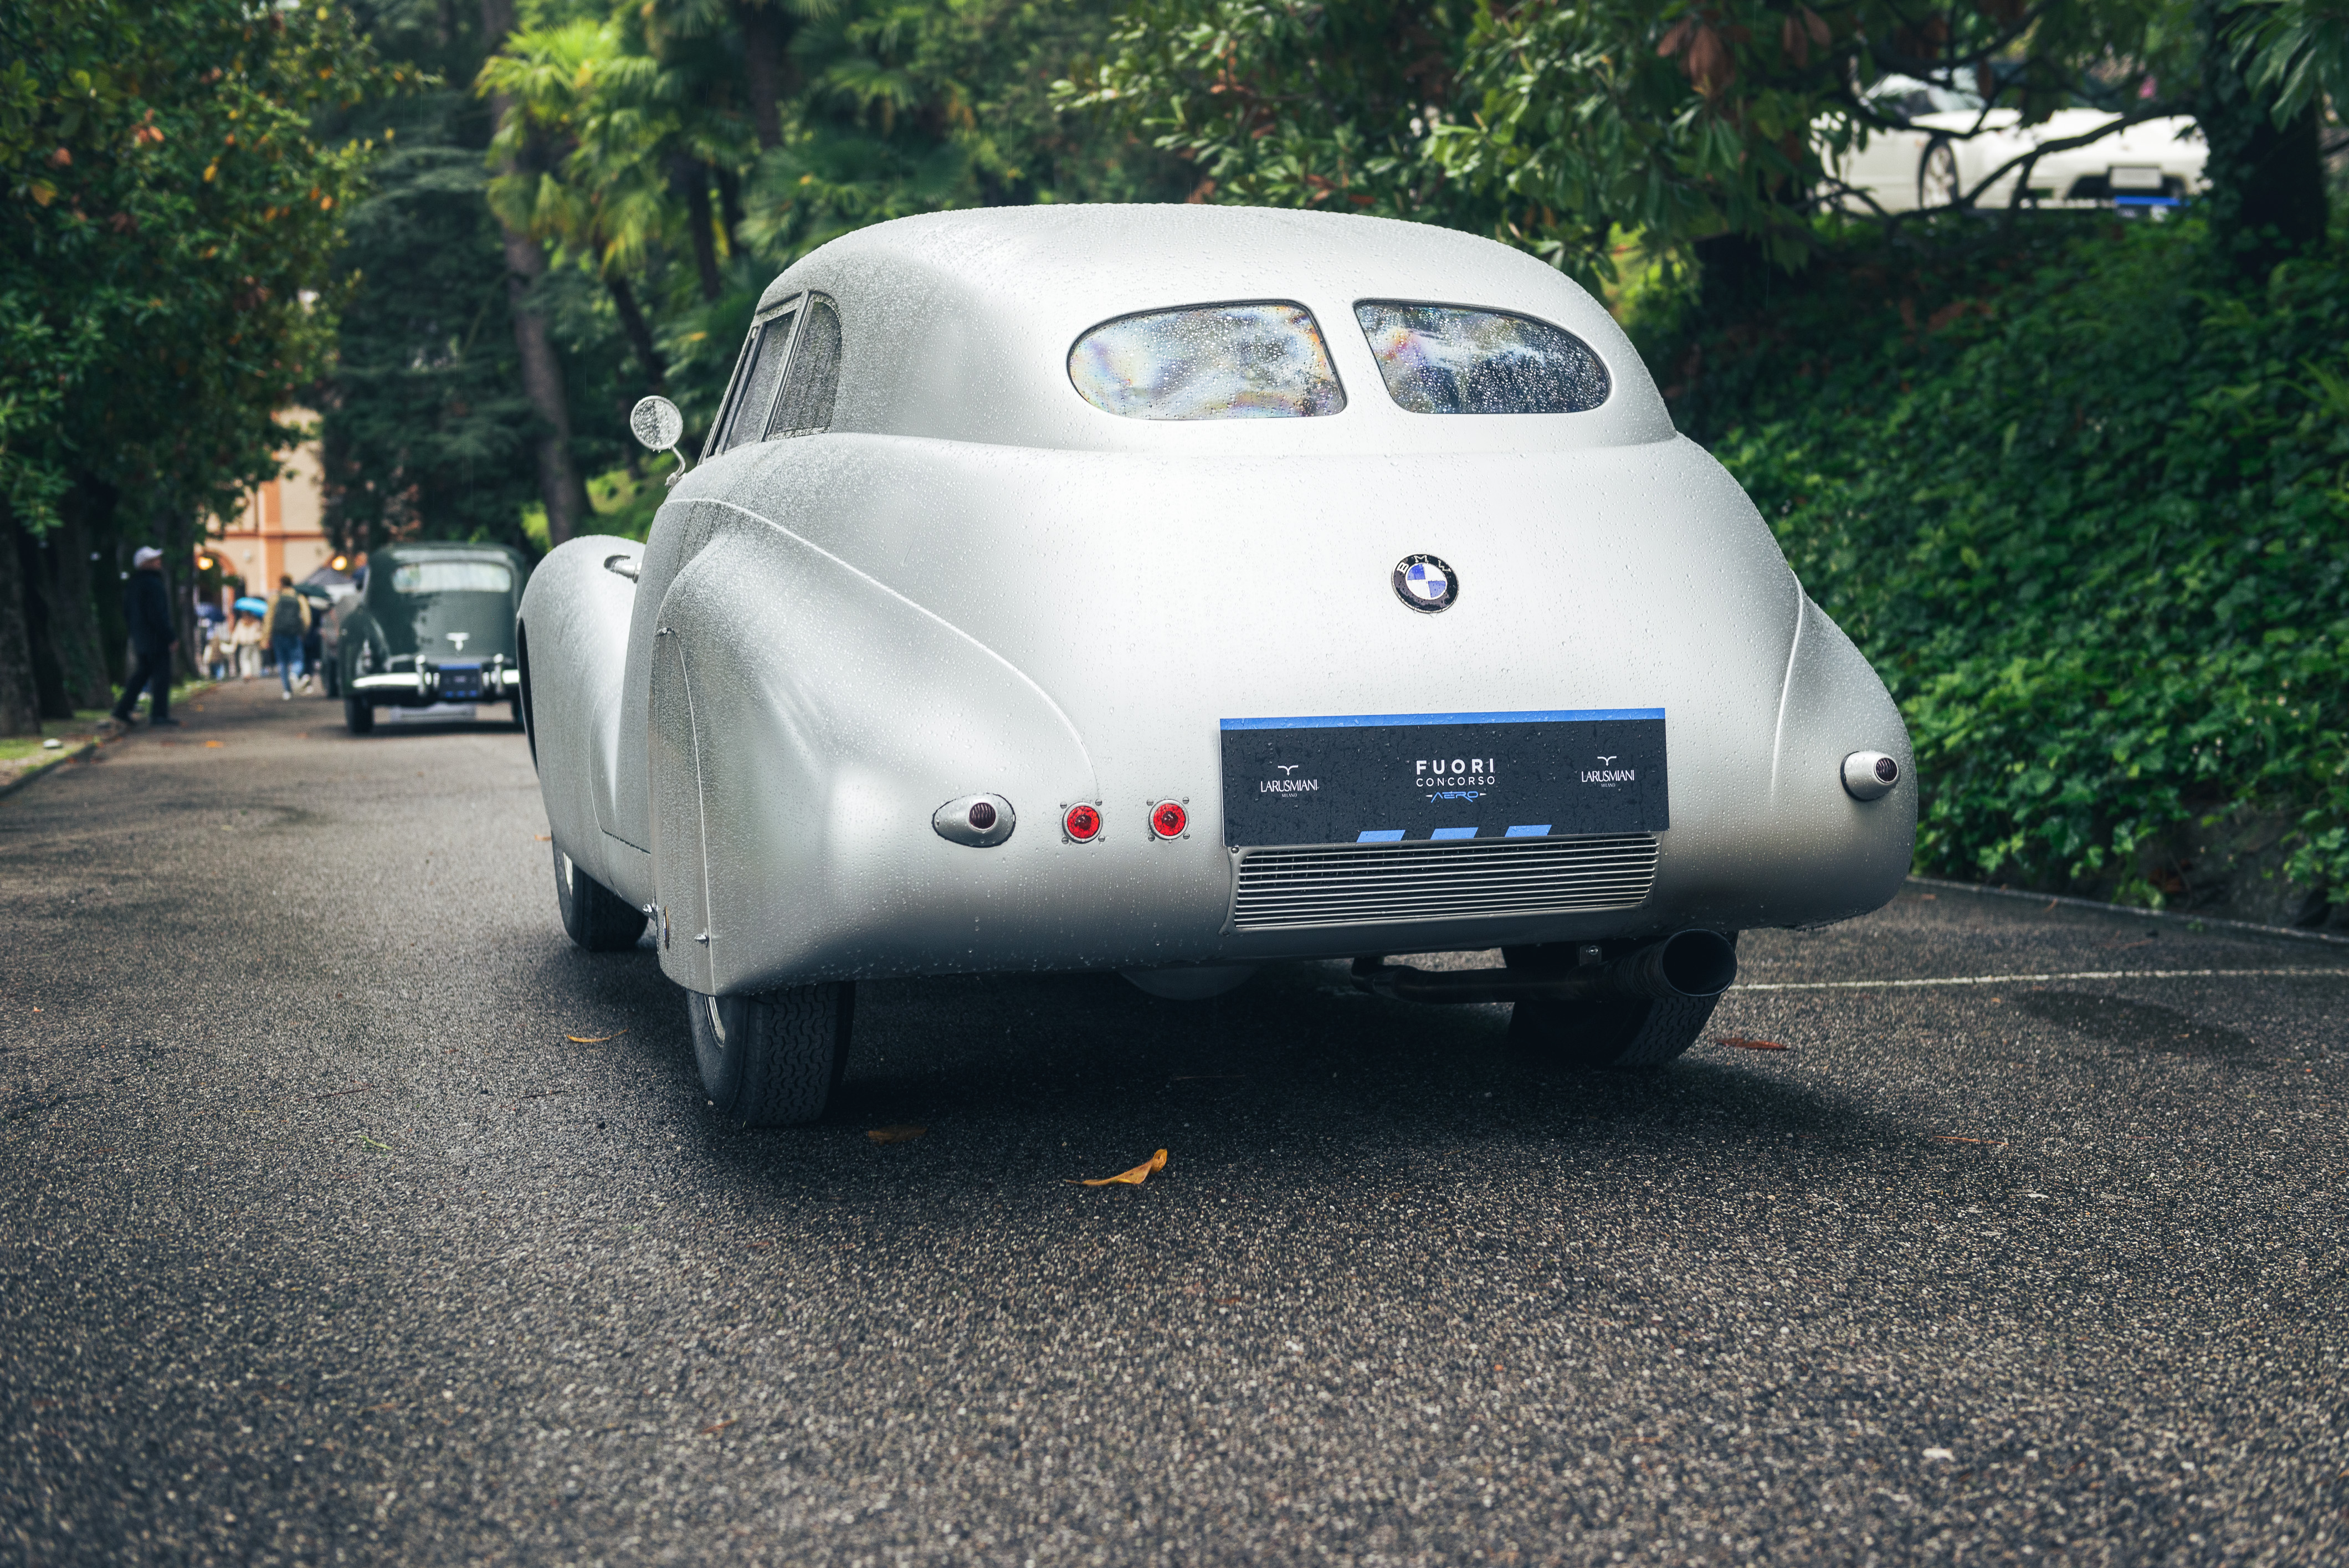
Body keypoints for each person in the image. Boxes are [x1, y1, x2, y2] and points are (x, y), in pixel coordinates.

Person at [111, 545, 180, 727]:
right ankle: (159, 714)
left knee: (142, 674)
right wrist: (170, 636)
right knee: (161, 676)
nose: (159, 562)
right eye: (154, 560)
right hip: (156, 638)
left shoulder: (133, 584)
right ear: (146, 563)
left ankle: (122, 710)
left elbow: (127, 611)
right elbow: (159, 614)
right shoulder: (153, 584)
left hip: (141, 637)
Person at [266, 574, 311, 699]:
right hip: (294, 633)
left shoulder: (275, 598)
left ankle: (287, 691)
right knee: (298, 660)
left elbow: (269, 618)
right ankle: (295, 674)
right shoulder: (299, 598)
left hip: (278, 634)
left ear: (281, 583)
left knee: (282, 662)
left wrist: (266, 637)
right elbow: (307, 618)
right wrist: (303, 631)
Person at [231, 611, 263, 679]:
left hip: (245, 644)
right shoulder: (256, 622)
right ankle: (255, 674)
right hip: (254, 643)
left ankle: (247, 673)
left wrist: (234, 644)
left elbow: (236, 634)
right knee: (255, 659)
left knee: (244, 659)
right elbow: (261, 633)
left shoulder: (241, 623)